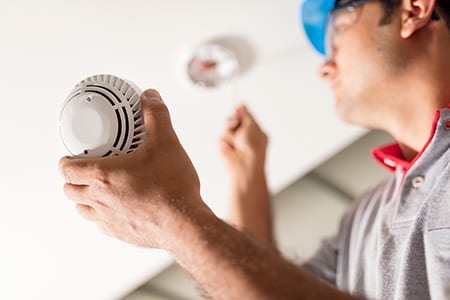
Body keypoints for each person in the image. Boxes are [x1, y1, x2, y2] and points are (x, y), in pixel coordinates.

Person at [59, 0, 450, 298]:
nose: (324, 67)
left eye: (337, 32)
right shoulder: (367, 215)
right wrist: (247, 180)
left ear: (413, 9)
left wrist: (174, 221)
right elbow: (270, 286)